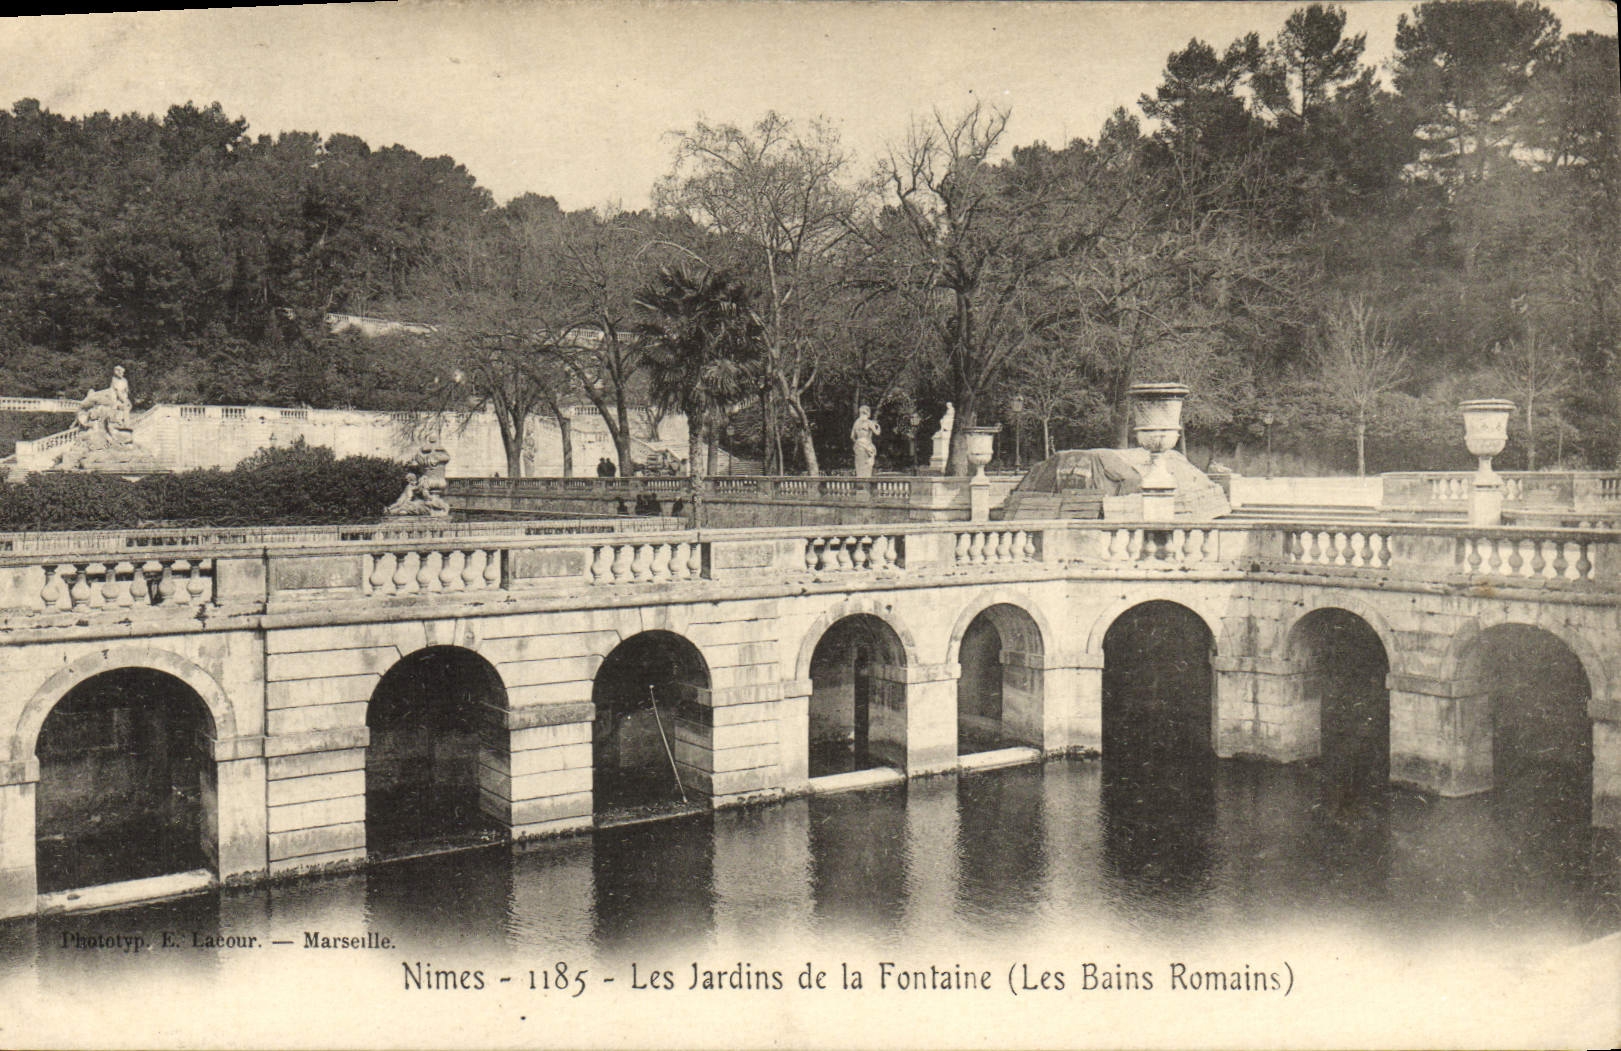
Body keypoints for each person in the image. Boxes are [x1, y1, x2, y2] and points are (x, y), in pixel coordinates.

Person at [851, 405, 881, 478]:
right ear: (868, 413)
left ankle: (860, 484)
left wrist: (857, 441)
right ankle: (866, 485)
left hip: (858, 444)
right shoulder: (869, 422)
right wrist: (878, 426)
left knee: (859, 465)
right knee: (867, 465)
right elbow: (877, 433)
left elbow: (852, 437)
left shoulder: (856, 422)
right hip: (866, 444)